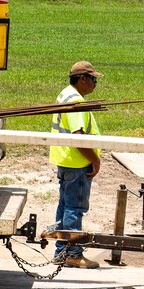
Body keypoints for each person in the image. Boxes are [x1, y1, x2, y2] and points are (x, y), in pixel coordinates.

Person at [49, 60, 104, 269]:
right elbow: (78, 138)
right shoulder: (76, 102)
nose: (95, 83)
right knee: (74, 208)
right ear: (82, 78)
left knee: (64, 206)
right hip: (77, 162)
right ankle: (72, 253)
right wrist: (95, 160)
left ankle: (61, 250)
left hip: (65, 160)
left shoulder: (65, 94)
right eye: (93, 79)